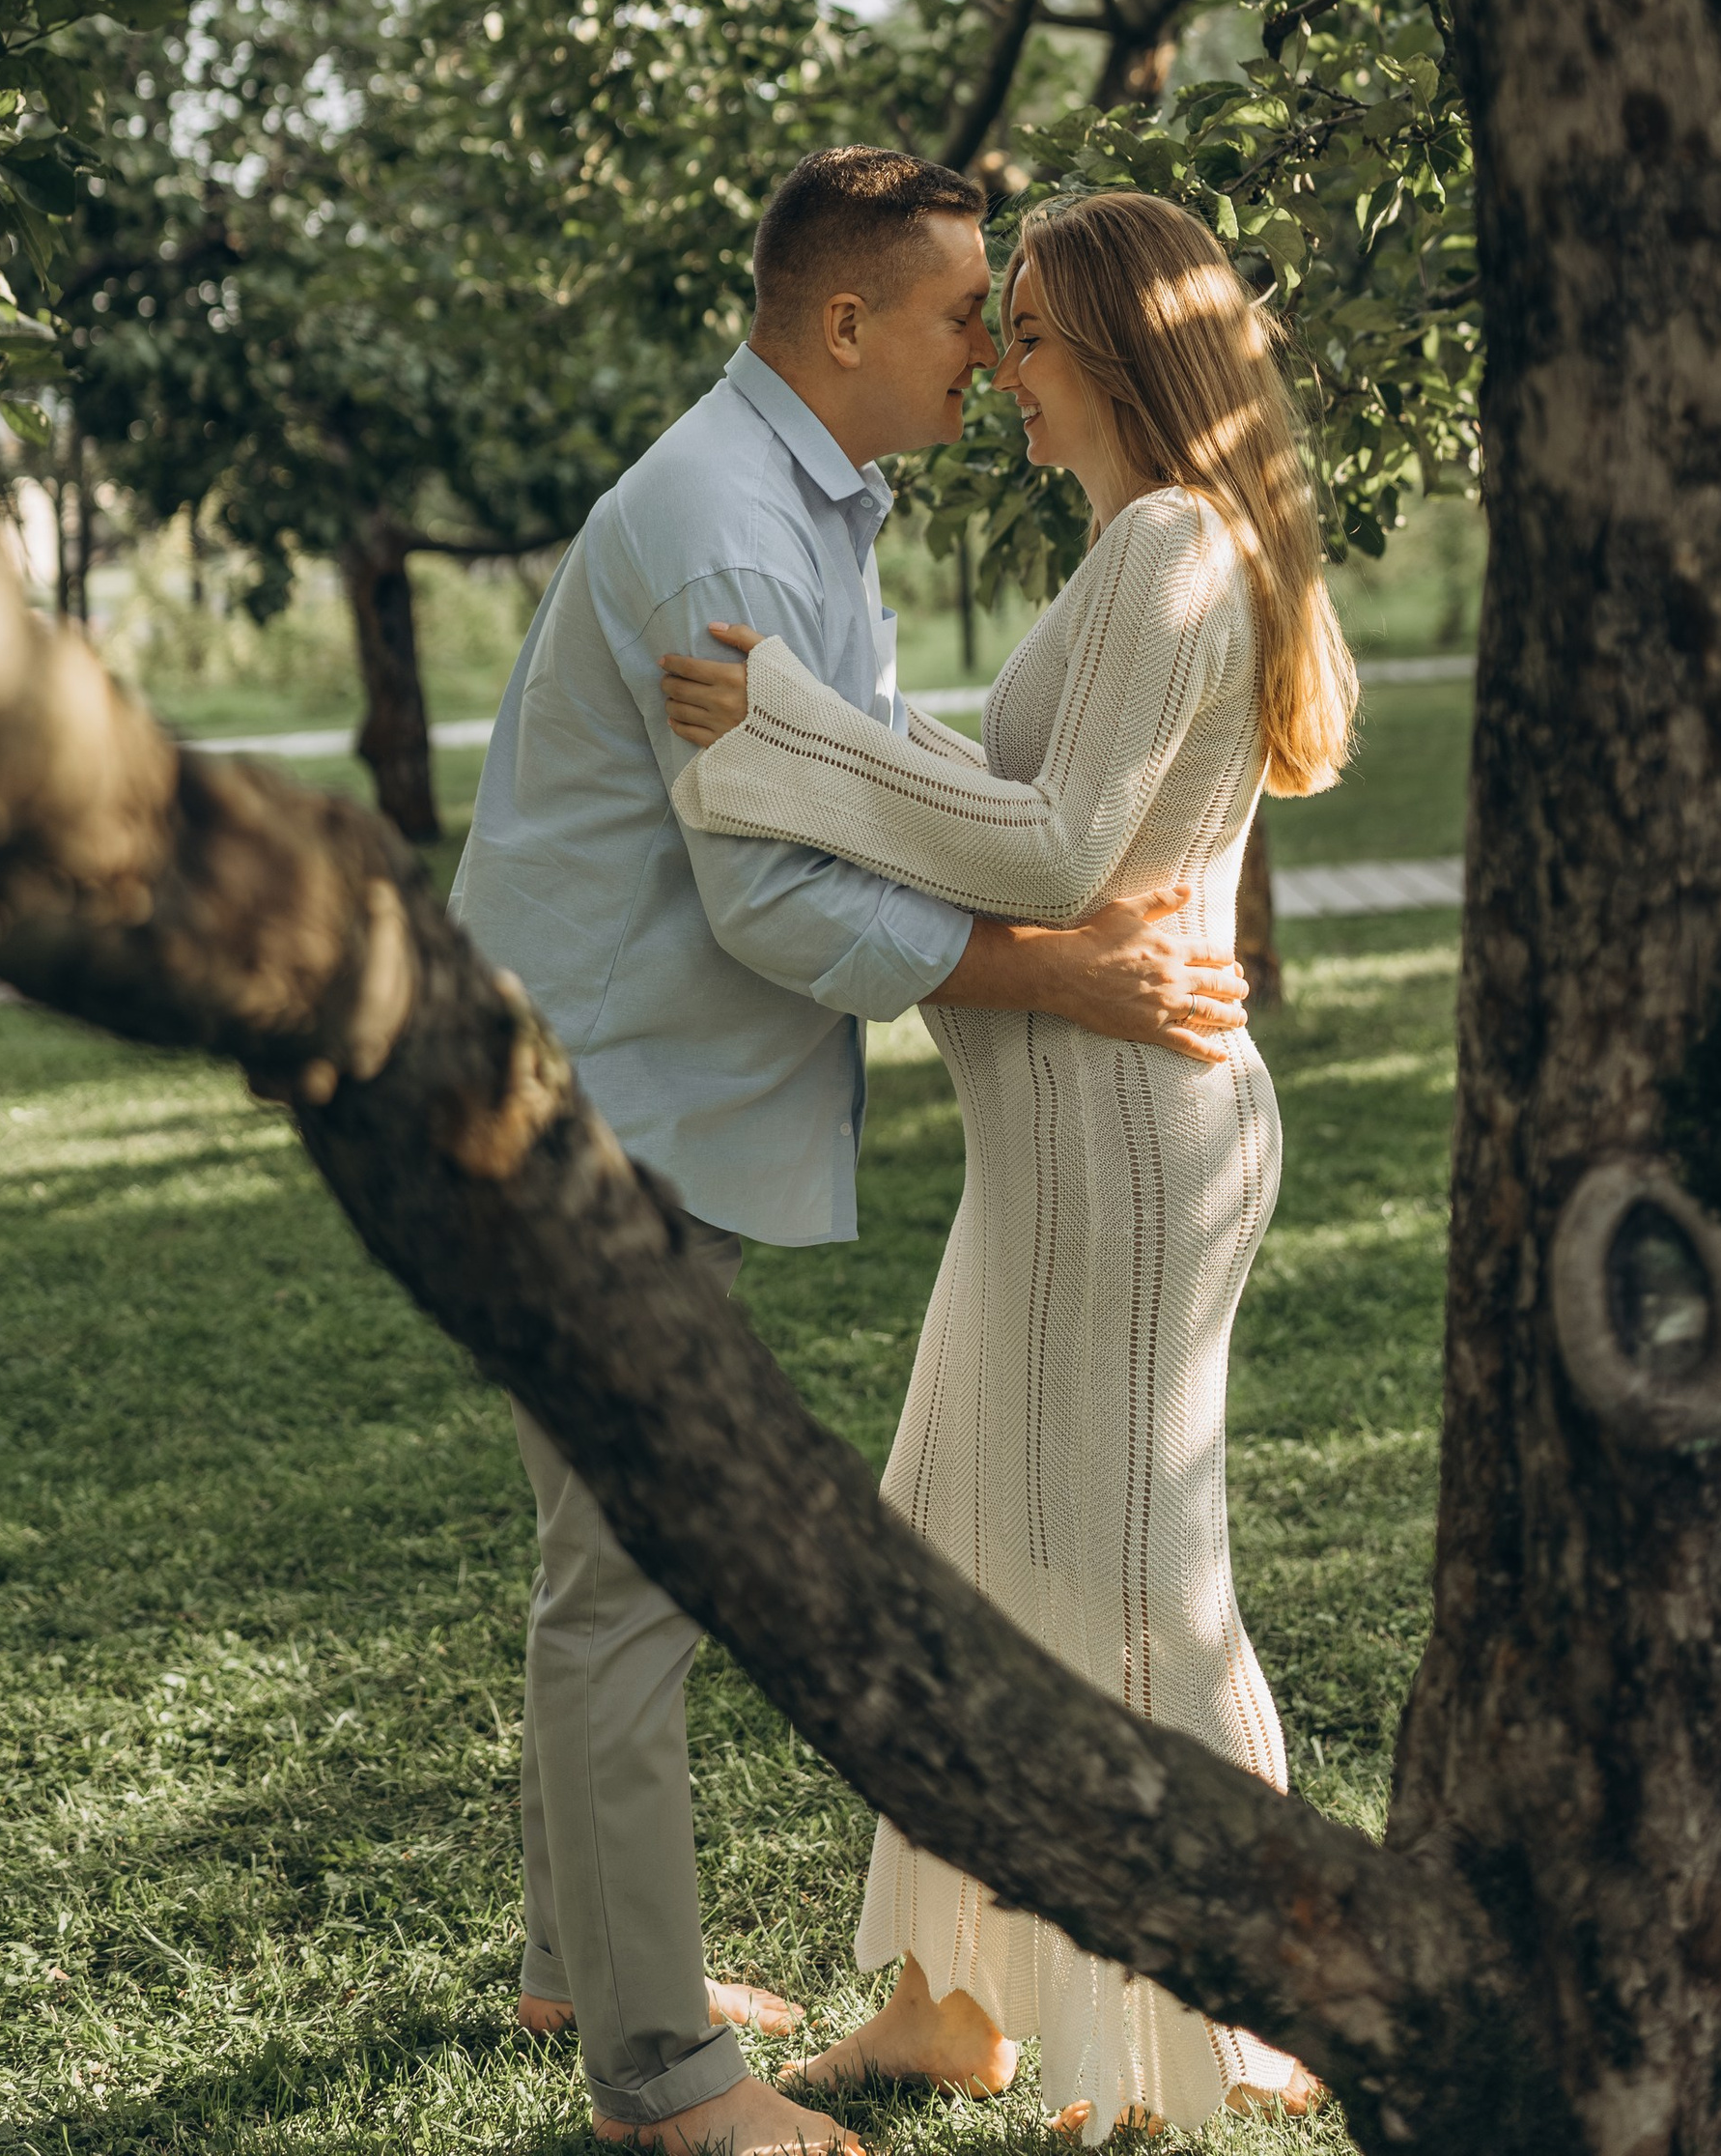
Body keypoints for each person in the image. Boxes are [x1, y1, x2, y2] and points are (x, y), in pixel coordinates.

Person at [451, 150, 1251, 2156]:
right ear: (840, 326)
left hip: (635, 1104)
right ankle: (661, 2081)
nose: (987, 354)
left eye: (1013, 323)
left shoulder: (800, 509)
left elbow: (875, 773)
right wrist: (1050, 974)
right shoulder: (730, 535)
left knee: (611, 1564)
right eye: (962, 313)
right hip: (614, 1117)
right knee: (630, 1580)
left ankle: (588, 1961)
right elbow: (773, 908)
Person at [661, 187, 1361, 2145]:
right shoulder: (1131, 554)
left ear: (1121, 353)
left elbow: (1050, 857)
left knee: (1123, 1590)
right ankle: (947, 2001)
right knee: (964, 1555)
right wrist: (835, 728)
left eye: (1027, 334)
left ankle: (1213, 2022)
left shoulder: (1162, 549)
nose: (998, 371)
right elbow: (1016, 807)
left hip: (1124, 1161)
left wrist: (791, 735)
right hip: (1046, 1158)